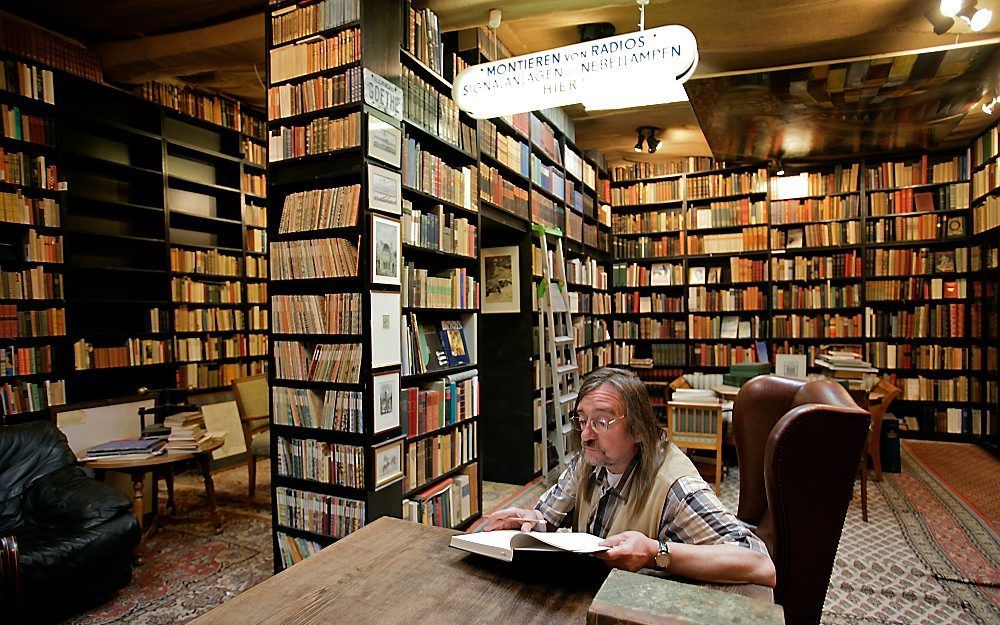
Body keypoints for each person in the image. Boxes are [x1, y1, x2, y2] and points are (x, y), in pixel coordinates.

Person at [484, 367, 776, 587]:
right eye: (582, 419)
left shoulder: (675, 487)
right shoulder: (591, 459)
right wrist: (528, 519)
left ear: (638, 430)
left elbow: (760, 564)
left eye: (601, 421)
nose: (585, 435)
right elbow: (545, 516)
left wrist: (656, 553)